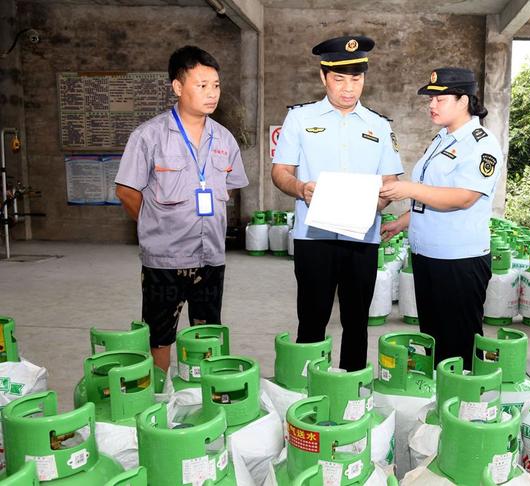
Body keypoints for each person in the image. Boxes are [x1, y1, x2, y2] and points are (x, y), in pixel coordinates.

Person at [271, 35, 403, 372]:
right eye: (339, 79)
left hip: (362, 238)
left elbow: (391, 182)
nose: (348, 88)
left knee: (357, 323)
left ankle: (351, 392)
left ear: (364, 78)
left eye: (356, 79)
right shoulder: (299, 119)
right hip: (313, 238)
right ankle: (308, 390)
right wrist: (301, 188)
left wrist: (377, 202)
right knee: (312, 320)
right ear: (323, 77)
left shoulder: (378, 125)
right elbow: (280, 172)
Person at [115, 45, 248, 371]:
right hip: (164, 260)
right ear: (177, 87)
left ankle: (200, 395)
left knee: (206, 334)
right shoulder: (149, 137)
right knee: (160, 336)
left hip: (211, 257)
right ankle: (159, 399)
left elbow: (227, 188)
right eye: (201, 85)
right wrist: (155, 225)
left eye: (215, 85)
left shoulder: (225, 140)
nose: (211, 93)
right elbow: (126, 190)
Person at [380, 67, 503, 368]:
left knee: (459, 342)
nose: (431, 106)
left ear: (464, 101)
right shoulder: (441, 139)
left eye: (440, 99)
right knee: (434, 339)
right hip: (427, 256)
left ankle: (464, 407)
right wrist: (402, 222)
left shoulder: (480, 144)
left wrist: (408, 188)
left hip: (459, 261)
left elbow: (463, 197)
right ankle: (441, 401)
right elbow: (432, 195)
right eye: (430, 100)